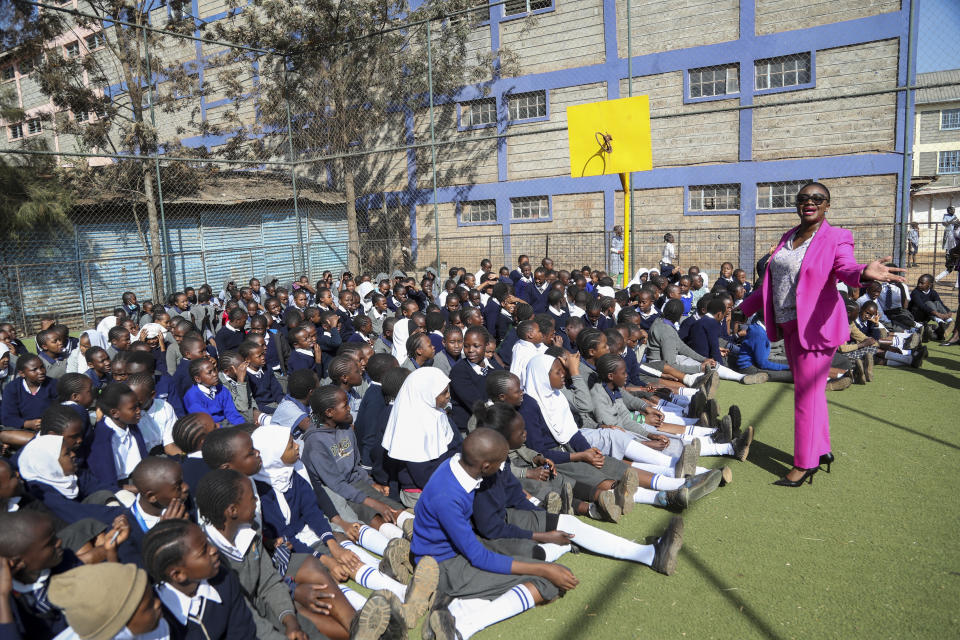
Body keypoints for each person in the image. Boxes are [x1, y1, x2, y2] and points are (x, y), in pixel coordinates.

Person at [739, 182, 905, 487]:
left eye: (817, 198)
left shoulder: (837, 237)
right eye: (803, 199)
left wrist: (864, 274)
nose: (810, 202)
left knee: (806, 395)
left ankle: (804, 464)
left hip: (816, 329)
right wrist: (744, 308)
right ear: (797, 204)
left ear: (827, 205)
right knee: (812, 394)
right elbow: (769, 282)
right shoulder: (789, 236)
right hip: (788, 326)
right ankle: (822, 450)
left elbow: (845, 268)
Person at [411, 428, 579, 640]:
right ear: (486, 466)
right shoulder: (448, 497)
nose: (503, 467)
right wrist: (544, 569)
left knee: (540, 562)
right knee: (549, 582)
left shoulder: (456, 464)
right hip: (443, 566)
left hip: (460, 549)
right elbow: (479, 557)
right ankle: (461, 626)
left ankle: (456, 602)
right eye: (501, 463)